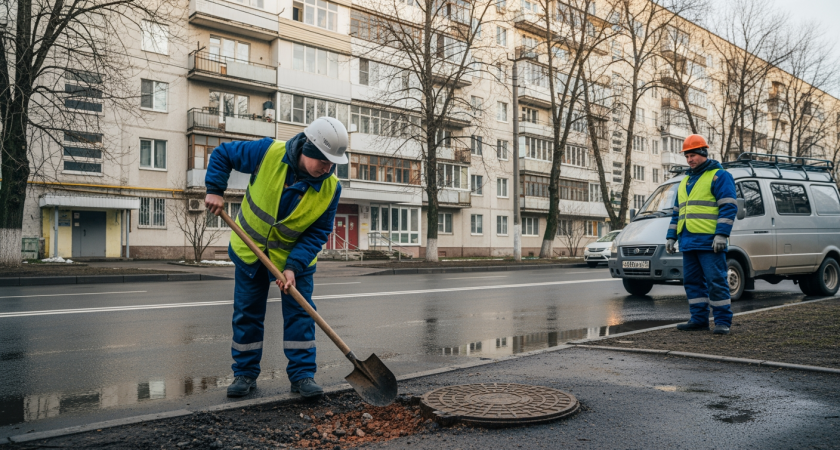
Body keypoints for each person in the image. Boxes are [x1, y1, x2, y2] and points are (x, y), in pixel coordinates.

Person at [204, 117, 348, 398]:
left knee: (301, 316)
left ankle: (302, 376)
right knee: (247, 314)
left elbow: (318, 232)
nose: (328, 168)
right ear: (308, 149)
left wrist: (293, 266)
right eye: (324, 162)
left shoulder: (332, 188)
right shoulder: (267, 153)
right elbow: (223, 154)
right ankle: (245, 374)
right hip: (250, 251)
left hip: (295, 260)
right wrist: (214, 189)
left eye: (333, 163)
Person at [664, 134, 737, 335]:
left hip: (710, 241)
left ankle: (722, 322)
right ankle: (699, 320)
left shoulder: (719, 176)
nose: (690, 160)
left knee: (716, 281)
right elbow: (677, 213)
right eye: (687, 156)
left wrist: (721, 235)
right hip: (688, 241)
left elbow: (729, 206)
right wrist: (671, 236)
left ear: (704, 153)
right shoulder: (685, 181)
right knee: (692, 282)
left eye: (693, 155)